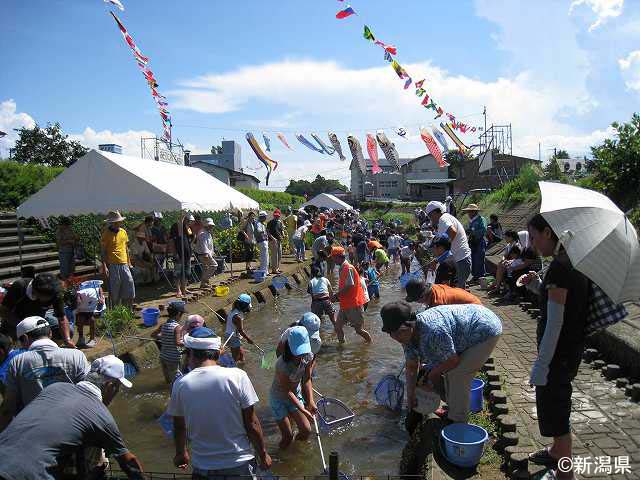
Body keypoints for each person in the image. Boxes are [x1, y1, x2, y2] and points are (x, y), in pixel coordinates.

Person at [519, 214, 589, 479]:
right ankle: (556, 452)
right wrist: (538, 285)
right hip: (570, 350)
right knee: (559, 407)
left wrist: (542, 364)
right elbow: (563, 305)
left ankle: (565, 472)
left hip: (558, 355)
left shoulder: (560, 267)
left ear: (548, 233)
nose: (533, 245)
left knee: (557, 415)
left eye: (535, 237)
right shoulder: (570, 260)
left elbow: (555, 323)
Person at [0, 354, 143, 479]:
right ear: (110, 386)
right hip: (27, 474)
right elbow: (128, 462)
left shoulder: (54, 388)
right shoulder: (102, 416)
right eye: (117, 388)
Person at [168, 327, 272, 476]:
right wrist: (263, 454)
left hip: (203, 467)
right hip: (239, 463)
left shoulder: (180, 384)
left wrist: (181, 453)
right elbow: (251, 423)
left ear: (190, 354)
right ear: (218, 353)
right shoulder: (238, 376)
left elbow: (179, 426)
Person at [381, 302, 502, 423]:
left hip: (485, 328)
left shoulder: (433, 331)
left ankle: (458, 421)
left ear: (411, 325)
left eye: (400, 332)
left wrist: (434, 374)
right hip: (464, 330)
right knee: (439, 372)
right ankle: (453, 405)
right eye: (391, 333)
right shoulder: (405, 336)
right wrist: (411, 393)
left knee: (457, 374)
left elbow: (453, 361)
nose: (396, 337)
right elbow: (412, 366)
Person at [0, 316, 90, 431]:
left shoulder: (18, 362)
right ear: (51, 333)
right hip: (73, 426)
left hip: (35, 431)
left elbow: (8, 408)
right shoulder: (77, 355)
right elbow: (89, 393)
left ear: (25, 339)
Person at [270, 326, 316, 449]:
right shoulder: (282, 364)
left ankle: (295, 450)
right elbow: (287, 391)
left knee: (306, 431)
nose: (300, 356)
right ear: (289, 346)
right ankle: (280, 456)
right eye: (297, 352)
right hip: (279, 398)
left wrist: (310, 401)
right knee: (287, 436)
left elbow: (306, 379)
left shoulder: (308, 357)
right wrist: (303, 410)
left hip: (295, 394)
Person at [0, 272, 75, 347]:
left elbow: (61, 318)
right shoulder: (20, 286)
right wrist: (23, 326)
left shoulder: (54, 293)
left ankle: (46, 350)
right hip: (15, 322)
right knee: (6, 344)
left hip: (39, 321)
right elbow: (4, 311)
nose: (50, 300)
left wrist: (67, 339)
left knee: (67, 332)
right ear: (36, 292)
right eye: (46, 297)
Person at [425, 201, 472, 289]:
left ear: (436, 212)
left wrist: (444, 253)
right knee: (458, 290)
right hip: (461, 259)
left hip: (460, 260)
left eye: (430, 216)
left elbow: (452, 231)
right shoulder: (447, 218)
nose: (430, 219)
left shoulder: (443, 219)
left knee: (455, 292)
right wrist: (439, 258)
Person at [331, 247, 372, 344]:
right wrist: (338, 297)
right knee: (337, 327)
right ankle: (341, 348)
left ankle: (369, 344)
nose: (332, 259)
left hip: (354, 304)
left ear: (338, 257)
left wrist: (336, 296)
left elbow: (350, 285)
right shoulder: (342, 268)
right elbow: (346, 287)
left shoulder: (347, 268)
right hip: (345, 304)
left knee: (359, 330)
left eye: (333, 257)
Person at [101, 210, 135, 308]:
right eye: (115, 222)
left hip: (124, 264)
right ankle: (116, 311)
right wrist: (104, 266)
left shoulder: (123, 232)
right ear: (111, 223)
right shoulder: (106, 234)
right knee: (115, 290)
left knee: (129, 286)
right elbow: (103, 251)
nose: (117, 224)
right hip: (113, 265)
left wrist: (129, 263)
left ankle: (128, 310)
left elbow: (126, 248)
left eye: (118, 222)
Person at [152, 301, 186, 385]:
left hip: (163, 357)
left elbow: (153, 335)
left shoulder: (163, 325)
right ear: (178, 314)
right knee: (177, 380)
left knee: (168, 380)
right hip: (173, 358)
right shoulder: (177, 327)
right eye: (182, 314)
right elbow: (178, 343)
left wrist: (164, 337)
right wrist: (187, 343)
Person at [225, 294, 256, 362]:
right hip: (232, 337)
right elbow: (241, 331)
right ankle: (233, 370)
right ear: (244, 306)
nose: (248, 308)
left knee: (241, 355)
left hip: (231, 335)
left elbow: (231, 322)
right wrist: (248, 339)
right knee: (235, 359)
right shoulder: (238, 317)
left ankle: (243, 368)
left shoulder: (234, 310)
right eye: (247, 306)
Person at [404, 279, 481, 306]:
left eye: (415, 300)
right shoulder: (434, 287)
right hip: (473, 301)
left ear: (422, 296)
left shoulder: (438, 303)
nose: (416, 302)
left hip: (475, 310)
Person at [75, 279, 106, 348]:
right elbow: (77, 292)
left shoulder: (94, 282)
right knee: (80, 319)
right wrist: (78, 297)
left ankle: (92, 339)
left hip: (94, 306)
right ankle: (81, 338)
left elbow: (99, 288)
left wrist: (101, 297)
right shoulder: (80, 284)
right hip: (83, 306)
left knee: (92, 320)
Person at [171, 214, 195, 298]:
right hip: (179, 253)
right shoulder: (176, 226)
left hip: (187, 254)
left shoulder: (188, 227)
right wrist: (175, 253)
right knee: (178, 272)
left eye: (191, 221)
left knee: (187, 272)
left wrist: (191, 246)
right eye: (188, 221)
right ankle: (178, 290)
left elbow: (192, 237)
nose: (190, 223)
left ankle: (184, 288)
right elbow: (172, 241)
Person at [463, 204, 487, 281]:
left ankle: (480, 276)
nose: (468, 214)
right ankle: (475, 276)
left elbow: (483, 230)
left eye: (469, 212)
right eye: (468, 212)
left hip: (479, 242)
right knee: (473, 259)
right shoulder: (472, 221)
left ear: (474, 212)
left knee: (479, 259)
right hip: (473, 242)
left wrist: (473, 232)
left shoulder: (481, 219)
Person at [194, 218, 219, 289]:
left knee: (206, 268)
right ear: (206, 225)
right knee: (214, 265)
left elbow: (209, 244)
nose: (211, 227)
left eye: (212, 225)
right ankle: (204, 280)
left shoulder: (207, 232)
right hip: (204, 254)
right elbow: (203, 244)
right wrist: (206, 254)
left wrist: (212, 252)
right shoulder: (203, 233)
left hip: (206, 253)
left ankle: (204, 283)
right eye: (210, 225)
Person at [56, 216, 78, 280]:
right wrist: (69, 241)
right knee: (64, 270)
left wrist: (76, 238)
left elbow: (76, 237)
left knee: (72, 269)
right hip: (63, 252)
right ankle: (65, 283)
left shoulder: (70, 229)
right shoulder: (59, 231)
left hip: (72, 251)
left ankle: (71, 282)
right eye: (67, 225)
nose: (68, 226)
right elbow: (59, 242)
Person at [267, 208, 285, 274]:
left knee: (280, 254)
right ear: (273, 215)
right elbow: (268, 232)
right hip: (272, 241)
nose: (276, 216)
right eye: (275, 215)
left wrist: (283, 234)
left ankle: (277, 268)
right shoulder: (270, 222)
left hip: (279, 240)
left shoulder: (280, 222)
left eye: (278, 215)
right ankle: (274, 270)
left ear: (279, 215)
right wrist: (273, 238)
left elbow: (281, 230)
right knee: (275, 255)